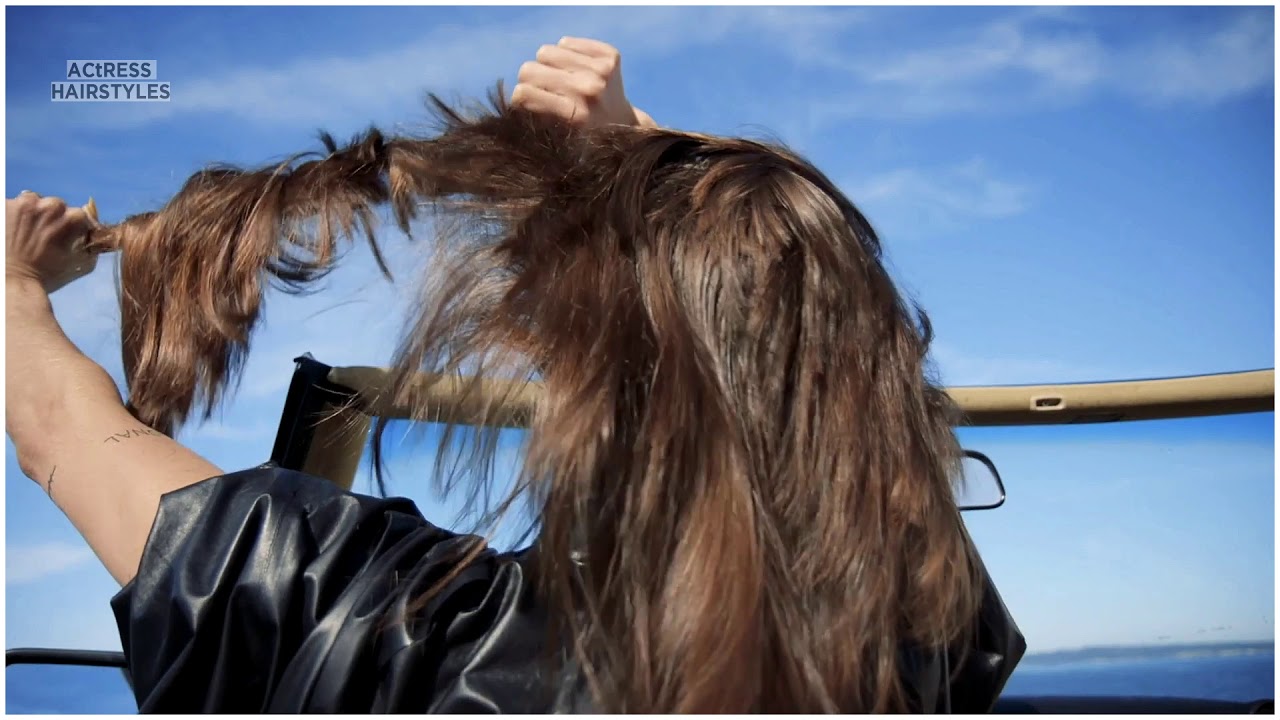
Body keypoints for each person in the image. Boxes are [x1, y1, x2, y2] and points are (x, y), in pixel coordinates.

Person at [5, 37, 1025, 713]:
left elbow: (53, 418)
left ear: (568, 357)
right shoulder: (914, 646)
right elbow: (823, 392)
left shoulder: (391, 627)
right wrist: (660, 179)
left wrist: (16, 282)